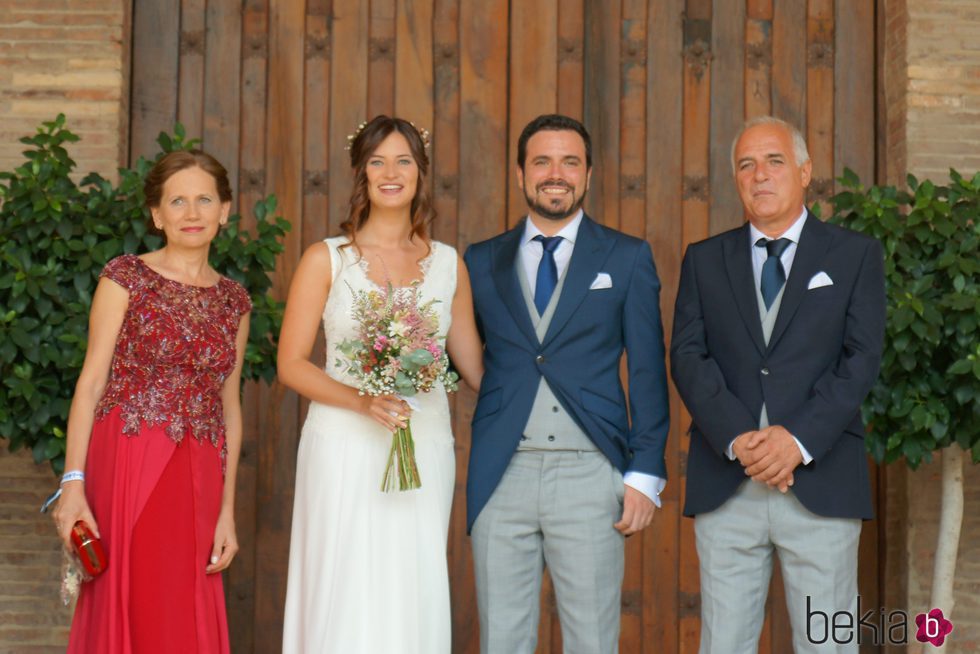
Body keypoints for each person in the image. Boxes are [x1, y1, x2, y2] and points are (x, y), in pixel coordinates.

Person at [670, 116, 886, 654]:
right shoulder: (704, 259)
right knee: (724, 644)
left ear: (805, 171)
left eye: (774, 161)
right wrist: (741, 438)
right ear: (735, 178)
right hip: (729, 482)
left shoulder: (855, 255)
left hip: (821, 480)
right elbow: (688, 356)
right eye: (746, 165)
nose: (760, 175)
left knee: (826, 643)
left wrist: (796, 440)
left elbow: (861, 359)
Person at [464, 114, 670, 654]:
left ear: (589, 174)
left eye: (570, 162)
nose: (556, 173)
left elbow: (649, 369)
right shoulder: (481, 261)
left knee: (592, 641)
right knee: (501, 640)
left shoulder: (626, 257)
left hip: (590, 476)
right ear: (520, 173)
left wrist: (645, 471)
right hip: (501, 475)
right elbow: (461, 357)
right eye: (542, 161)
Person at [278, 115, 483, 653]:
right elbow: (292, 364)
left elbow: (474, 367)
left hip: (425, 442)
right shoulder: (327, 259)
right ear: (361, 174)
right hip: (343, 446)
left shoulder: (447, 264)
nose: (390, 173)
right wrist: (361, 399)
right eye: (377, 161)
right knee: (344, 583)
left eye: (403, 161)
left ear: (421, 172)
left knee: (410, 582)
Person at [51, 150, 252, 653]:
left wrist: (227, 511)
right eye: (177, 201)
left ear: (225, 210)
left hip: (200, 471)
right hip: (128, 456)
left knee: (184, 610)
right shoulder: (125, 278)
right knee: (131, 598)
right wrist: (72, 485)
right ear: (157, 215)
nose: (192, 213)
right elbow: (91, 383)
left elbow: (230, 408)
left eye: (204, 199)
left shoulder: (235, 301)